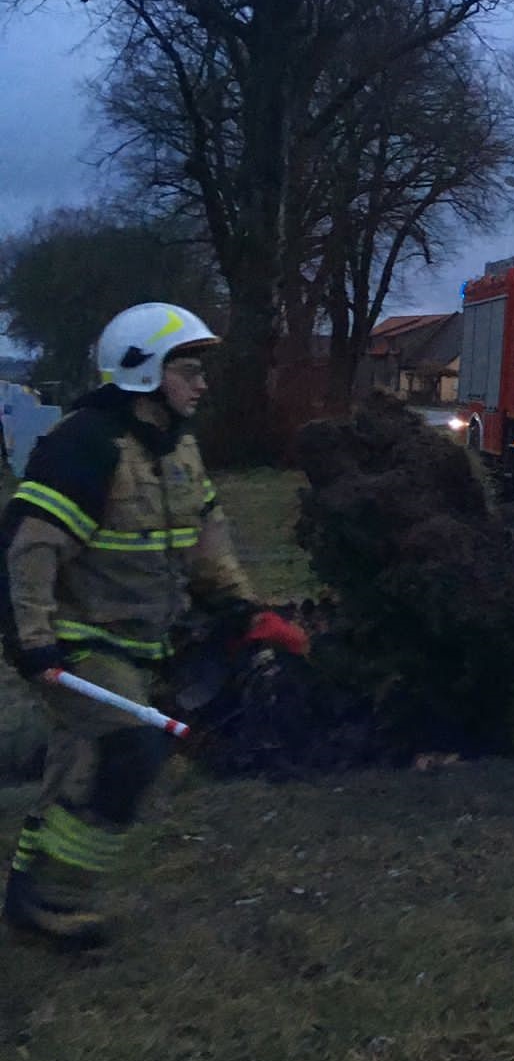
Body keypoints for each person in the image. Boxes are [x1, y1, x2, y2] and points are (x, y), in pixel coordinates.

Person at [1, 303, 308, 950]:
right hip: (78, 640)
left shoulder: (178, 450)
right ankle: (52, 900)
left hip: (140, 642)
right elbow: (30, 548)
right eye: (189, 370)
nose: (202, 384)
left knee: (75, 772)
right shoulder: (86, 445)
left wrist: (245, 610)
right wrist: (32, 638)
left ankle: (27, 890)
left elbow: (206, 541)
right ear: (142, 371)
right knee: (133, 748)